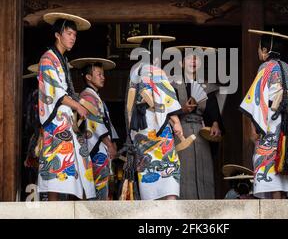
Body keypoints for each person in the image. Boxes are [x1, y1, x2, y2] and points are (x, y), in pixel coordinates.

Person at [37, 12, 95, 201]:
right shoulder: (48, 59)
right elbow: (56, 92)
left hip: (65, 119)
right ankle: (54, 208)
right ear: (57, 34)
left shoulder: (62, 61)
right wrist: (78, 106)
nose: (72, 38)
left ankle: (70, 207)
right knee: (57, 169)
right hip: (56, 122)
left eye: (75, 35)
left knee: (72, 167)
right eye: (69, 33)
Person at [240, 29, 288, 199]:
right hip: (287, 123)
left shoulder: (265, 67)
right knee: (284, 165)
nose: (258, 52)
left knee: (269, 165)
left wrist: (253, 127)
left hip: (270, 121)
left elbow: (256, 97)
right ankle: (280, 204)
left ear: (265, 50)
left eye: (259, 48)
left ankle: (273, 211)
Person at [125, 35, 184, 200]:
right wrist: (177, 122)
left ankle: (149, 205)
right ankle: (170, 206)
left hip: (140, 128)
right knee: (170, 165)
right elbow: (166, 99)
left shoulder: (134, 70)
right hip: (156, 126)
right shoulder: (154, 70)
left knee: (146, 168)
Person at [170, 46, 224, 199]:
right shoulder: (172, 84)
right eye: (189, 58)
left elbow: (213, 111)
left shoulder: (206, 85)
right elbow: (167, 111)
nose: (193, 61)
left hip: (201, 132)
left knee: (204, 169)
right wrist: (182, 110)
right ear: (181, 63)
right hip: (181, 131)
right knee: (184, 169)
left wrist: (215, 124)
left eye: (196, 58)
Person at [70, 57, 119, 200]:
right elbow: (95, 124)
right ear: (88, 77)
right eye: (99, 74)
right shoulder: (87, 97)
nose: (103, 78)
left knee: (102, 188)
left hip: (101, 147)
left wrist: (113, 141)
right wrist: (110, 144)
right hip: (96, 148)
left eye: (103, 75)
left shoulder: (96, 97)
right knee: (99, 188)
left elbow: (107, 122)